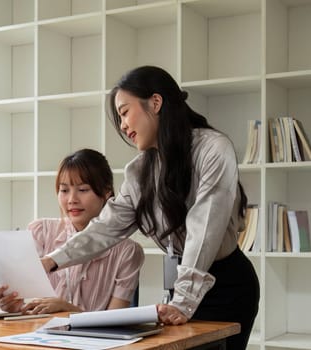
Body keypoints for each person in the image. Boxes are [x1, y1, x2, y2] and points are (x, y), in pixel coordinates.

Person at [40, 66, 259, 350]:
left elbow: (204, 228)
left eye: (124, 112)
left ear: (155, 103)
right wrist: (52, 261)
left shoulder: (214, 148)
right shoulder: (140, 170)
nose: (122, 125)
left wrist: (183, 301)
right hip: (183, 283)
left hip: (227, 285)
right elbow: (106, 227)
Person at [0, 148, 144, 314]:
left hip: (89, 340)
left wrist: (69, 310)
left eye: (83, 190)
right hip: (37, 337)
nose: (72, 200)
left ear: (106, 191)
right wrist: (12, 306)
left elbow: (114, 323)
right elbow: (22, 304)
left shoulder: (127, 252)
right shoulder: (40, 232)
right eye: (64, 190)